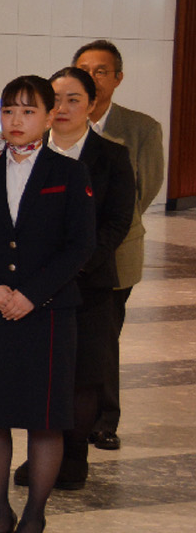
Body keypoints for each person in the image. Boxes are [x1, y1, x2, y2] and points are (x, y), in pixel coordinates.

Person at [0, 75, 94, 533]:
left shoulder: (68, 174)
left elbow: (81, 246)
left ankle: (34, 515)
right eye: (9, 110)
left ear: (50, 117)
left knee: (45, 419)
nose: (16, 120)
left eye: (28, 111)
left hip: (48, 312)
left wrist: (32, 294)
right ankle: (0, 512)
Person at [11, 68, 133, 491]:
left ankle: (74, 454)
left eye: (74, 100)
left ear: (92, 105)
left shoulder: (112, 156)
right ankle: (41, 451)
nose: (62, 108)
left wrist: (76, 263)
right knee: (40, 373)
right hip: (34, 287)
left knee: (83, 374)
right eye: (55, 100)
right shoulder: (23, 154)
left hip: (89, 283)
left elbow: (117, 223)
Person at [73, 40, 167, 451]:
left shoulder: (140, 128)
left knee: (104, 336)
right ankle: (69, 415)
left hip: (115, 250)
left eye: (101, 70)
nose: (93, 77)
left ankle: (104, 418)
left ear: (117, 78)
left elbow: (143, 192)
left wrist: (105, 233)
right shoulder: (61, 122)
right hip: (65, 255)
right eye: (84, 69)